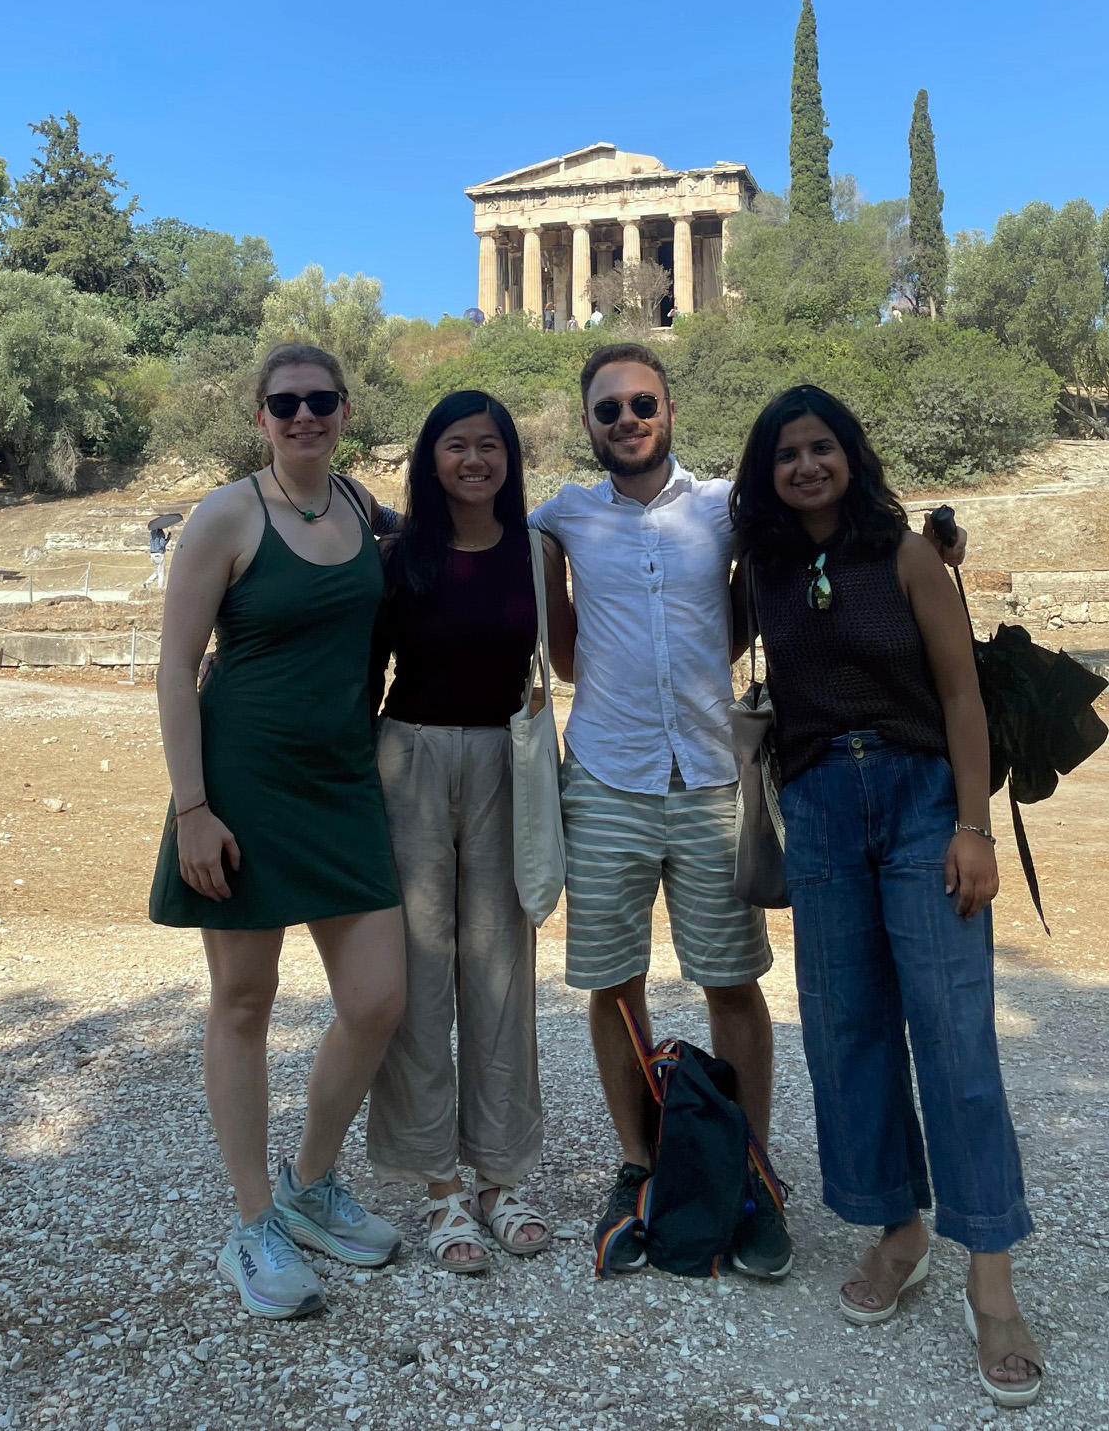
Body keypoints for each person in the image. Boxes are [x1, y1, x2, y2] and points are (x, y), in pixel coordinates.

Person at [729, 384, 1042, 1408]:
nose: (807, 465)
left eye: (822, 448)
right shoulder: (764, 569)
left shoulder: (908, 556)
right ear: (766, 475)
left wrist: (973, 825)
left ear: (851, 457)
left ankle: (990, 1283)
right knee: (846, 1031)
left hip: (916, 801)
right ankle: (897, 1227)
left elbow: (959, 694)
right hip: (817, 805)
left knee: (955, 1036)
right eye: (788, 454)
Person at [149, 341, 406, 1321]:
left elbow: (428, 550)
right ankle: (253, 1222)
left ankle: (309, 1183)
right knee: (245, 1003)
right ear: (260, 416)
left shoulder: (360, 507)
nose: (305, 416)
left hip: (342, 784)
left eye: (322, 401)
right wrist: (192, 808)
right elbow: (176, 669)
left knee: (378, 999)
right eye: (286, 402)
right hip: (242, 787)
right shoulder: (226, 514)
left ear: (346, 410)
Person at [528, 341, 788, 1280]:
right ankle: (638, 1166)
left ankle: (749, 1167)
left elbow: (788, 564)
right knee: (614, 982)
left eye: (643, 404)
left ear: (670, 409)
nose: (628, 420)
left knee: (732, 983)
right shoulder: (561, 515)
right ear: (588, 424)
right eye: (608, 410)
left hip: (715, 777)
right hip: (605, 777)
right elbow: (546, 632)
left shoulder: (725, 507)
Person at [367, 391, 570, 1273]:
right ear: (431, 455)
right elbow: (362, 669)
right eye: (458, 445)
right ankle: (437, 1183)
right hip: (407, 760)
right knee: (416, 974)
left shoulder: (535, 553)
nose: (476, 460)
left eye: (491, 446)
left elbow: (567, 656)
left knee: (502, 970)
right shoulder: (396, 556)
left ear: (510, 458)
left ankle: (501, 1172)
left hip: (505, 763)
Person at [145, 524, 170, 589]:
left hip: (152, 554)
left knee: (156, 572)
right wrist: (168, 537)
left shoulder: (152, 533)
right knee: (161, 573)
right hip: (159, 554)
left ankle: (147, 583)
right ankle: (160, 588)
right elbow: (162, 544)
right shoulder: (160, 533)